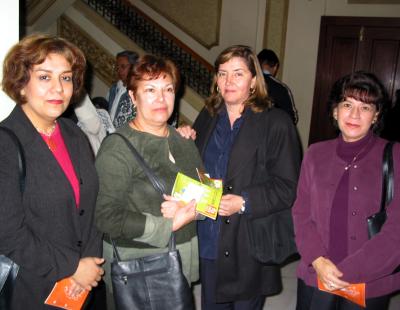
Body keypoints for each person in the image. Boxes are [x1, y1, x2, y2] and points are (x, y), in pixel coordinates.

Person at [180, 45, 301, 309]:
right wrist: (184, 143)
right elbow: (198, 170)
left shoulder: (276, 123)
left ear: (254, 81)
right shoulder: (208, 116)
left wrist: (244, 202)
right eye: (222, 74)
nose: (228, 81)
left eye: (238, 74)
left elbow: (288, 187)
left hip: (250, 239)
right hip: (211, 236)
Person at [0, 33, 104, 309]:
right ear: (21, 84)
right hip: (31, 288)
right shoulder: (5, 143)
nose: (58, 89)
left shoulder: (73, 133)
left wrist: (89, 264)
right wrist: (72, 267)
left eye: (66, 78)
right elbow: (8, 233)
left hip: (82, 287)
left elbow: (90, 207)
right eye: (45, 77)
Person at [95, 54, 203, 309]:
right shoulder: (117, 148)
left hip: (181, 259)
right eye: (150, 90)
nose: (161, 98)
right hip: (139, 268)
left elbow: (205, 196)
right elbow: (105, 216)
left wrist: (191, 210)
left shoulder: (184, 141)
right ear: (133, 97)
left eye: (168, 89)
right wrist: (167, 223)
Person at [293, 71, 400, 310]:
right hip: (316, 273)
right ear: (335, 111)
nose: (354, 114)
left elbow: (396, 230)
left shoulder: (395, 156)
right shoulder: (315, 154)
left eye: (365, 108)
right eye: (347, 104)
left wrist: (346, 272)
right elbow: (301, 214)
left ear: (376, 115)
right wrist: (318, 260)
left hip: (367, 282)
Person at [257, 48, 298, 124]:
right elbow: (292, 119)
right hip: (272, 133)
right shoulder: (281, 88)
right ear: (275, 67)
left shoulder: (245, 84)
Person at [107, 50, 139, 128]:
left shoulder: (136, 93)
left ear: (133, 67)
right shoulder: (113, 89)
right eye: (117, 67)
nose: (119, 70)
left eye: (123, 67)